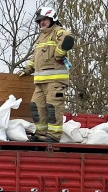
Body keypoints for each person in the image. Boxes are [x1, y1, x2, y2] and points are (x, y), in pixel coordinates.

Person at [21, 7, 75, 142]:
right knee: (36, 107)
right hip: (40, 81)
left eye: (44, 20)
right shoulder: (42, 37)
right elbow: (36, 58)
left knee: (53, 108)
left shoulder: (59, 32)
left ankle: (54, 136)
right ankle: (41, 134)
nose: (42, 23)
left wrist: (58, 53)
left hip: (55, 81)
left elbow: (68, 39)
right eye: (40, 21)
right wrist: (28, 69)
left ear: (52, 19)